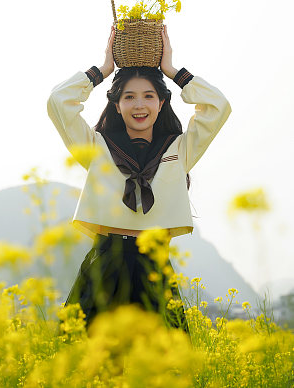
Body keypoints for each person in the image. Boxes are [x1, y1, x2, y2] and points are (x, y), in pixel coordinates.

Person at [47, 24, 232, 336]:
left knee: (167, 371)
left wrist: (172, 70)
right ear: (117, 106)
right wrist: (102, 69)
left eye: (149, 96)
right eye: (129, 97)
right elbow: (57, 102)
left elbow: (219, 107)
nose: (139, 105)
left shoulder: (179, 150)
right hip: (106, 260)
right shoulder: (97, 147)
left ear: (162, 103)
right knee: (92, 371)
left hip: (154, 267)